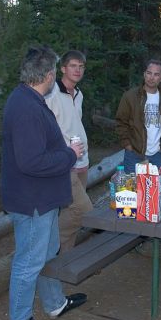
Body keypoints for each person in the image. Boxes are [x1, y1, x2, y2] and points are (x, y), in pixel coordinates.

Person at [0, 46, 87, 320]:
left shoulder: (29, 99)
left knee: (48, 253)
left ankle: (54, 303)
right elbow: (31, 162)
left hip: (44, 198)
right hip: (32, 201)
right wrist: (69, 155)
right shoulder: (26, 107)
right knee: (28, 263)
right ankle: (20, 318)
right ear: (49, 75)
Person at [45, 50, 93, 252]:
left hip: (83, 162)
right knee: (83, 211)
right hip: (66, 163)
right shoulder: (52, 93)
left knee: (70, 213)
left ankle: (63, 260)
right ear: (62, 69)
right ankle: (48, 246)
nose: (78, 70)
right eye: (73, 66)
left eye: (81, 66)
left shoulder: (78, 94)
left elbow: (73, 124)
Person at [115, 59, 161, 173]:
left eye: (156, 74)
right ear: (144, 74)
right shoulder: (130, 96)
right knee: (133, 189)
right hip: (134, 154)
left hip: (157, 154)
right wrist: (127, 145)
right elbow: (121, 122)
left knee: (154, 188)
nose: (151, 77)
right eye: (149, 73)